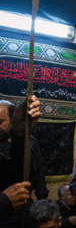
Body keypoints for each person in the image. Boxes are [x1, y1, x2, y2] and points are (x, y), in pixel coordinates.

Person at [0, 96, 47, 226]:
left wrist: (19, 135)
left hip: (23, 207)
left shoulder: (29, 141)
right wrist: (5, 201)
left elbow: (24, 174)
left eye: (0, 121)